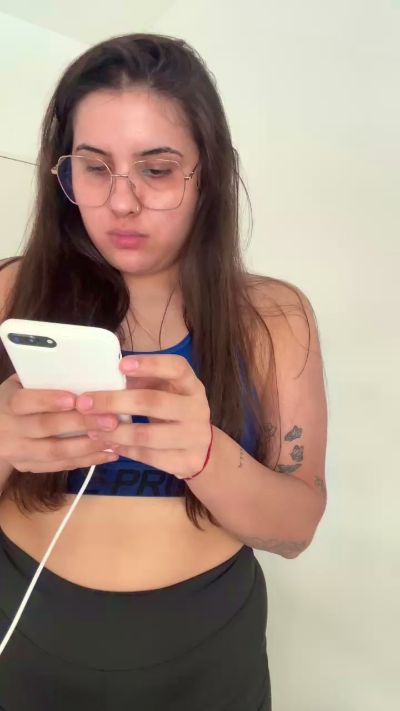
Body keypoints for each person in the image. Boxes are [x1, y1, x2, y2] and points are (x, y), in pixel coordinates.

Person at [0, 33, 327, 710]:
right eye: (95, 168)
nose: (121, 203)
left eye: (156, 170)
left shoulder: (273, 317)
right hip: (23, 632)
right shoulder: (10, 293)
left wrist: (205, 454)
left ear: (207, 175)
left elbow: (296, 529)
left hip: (208, 654)